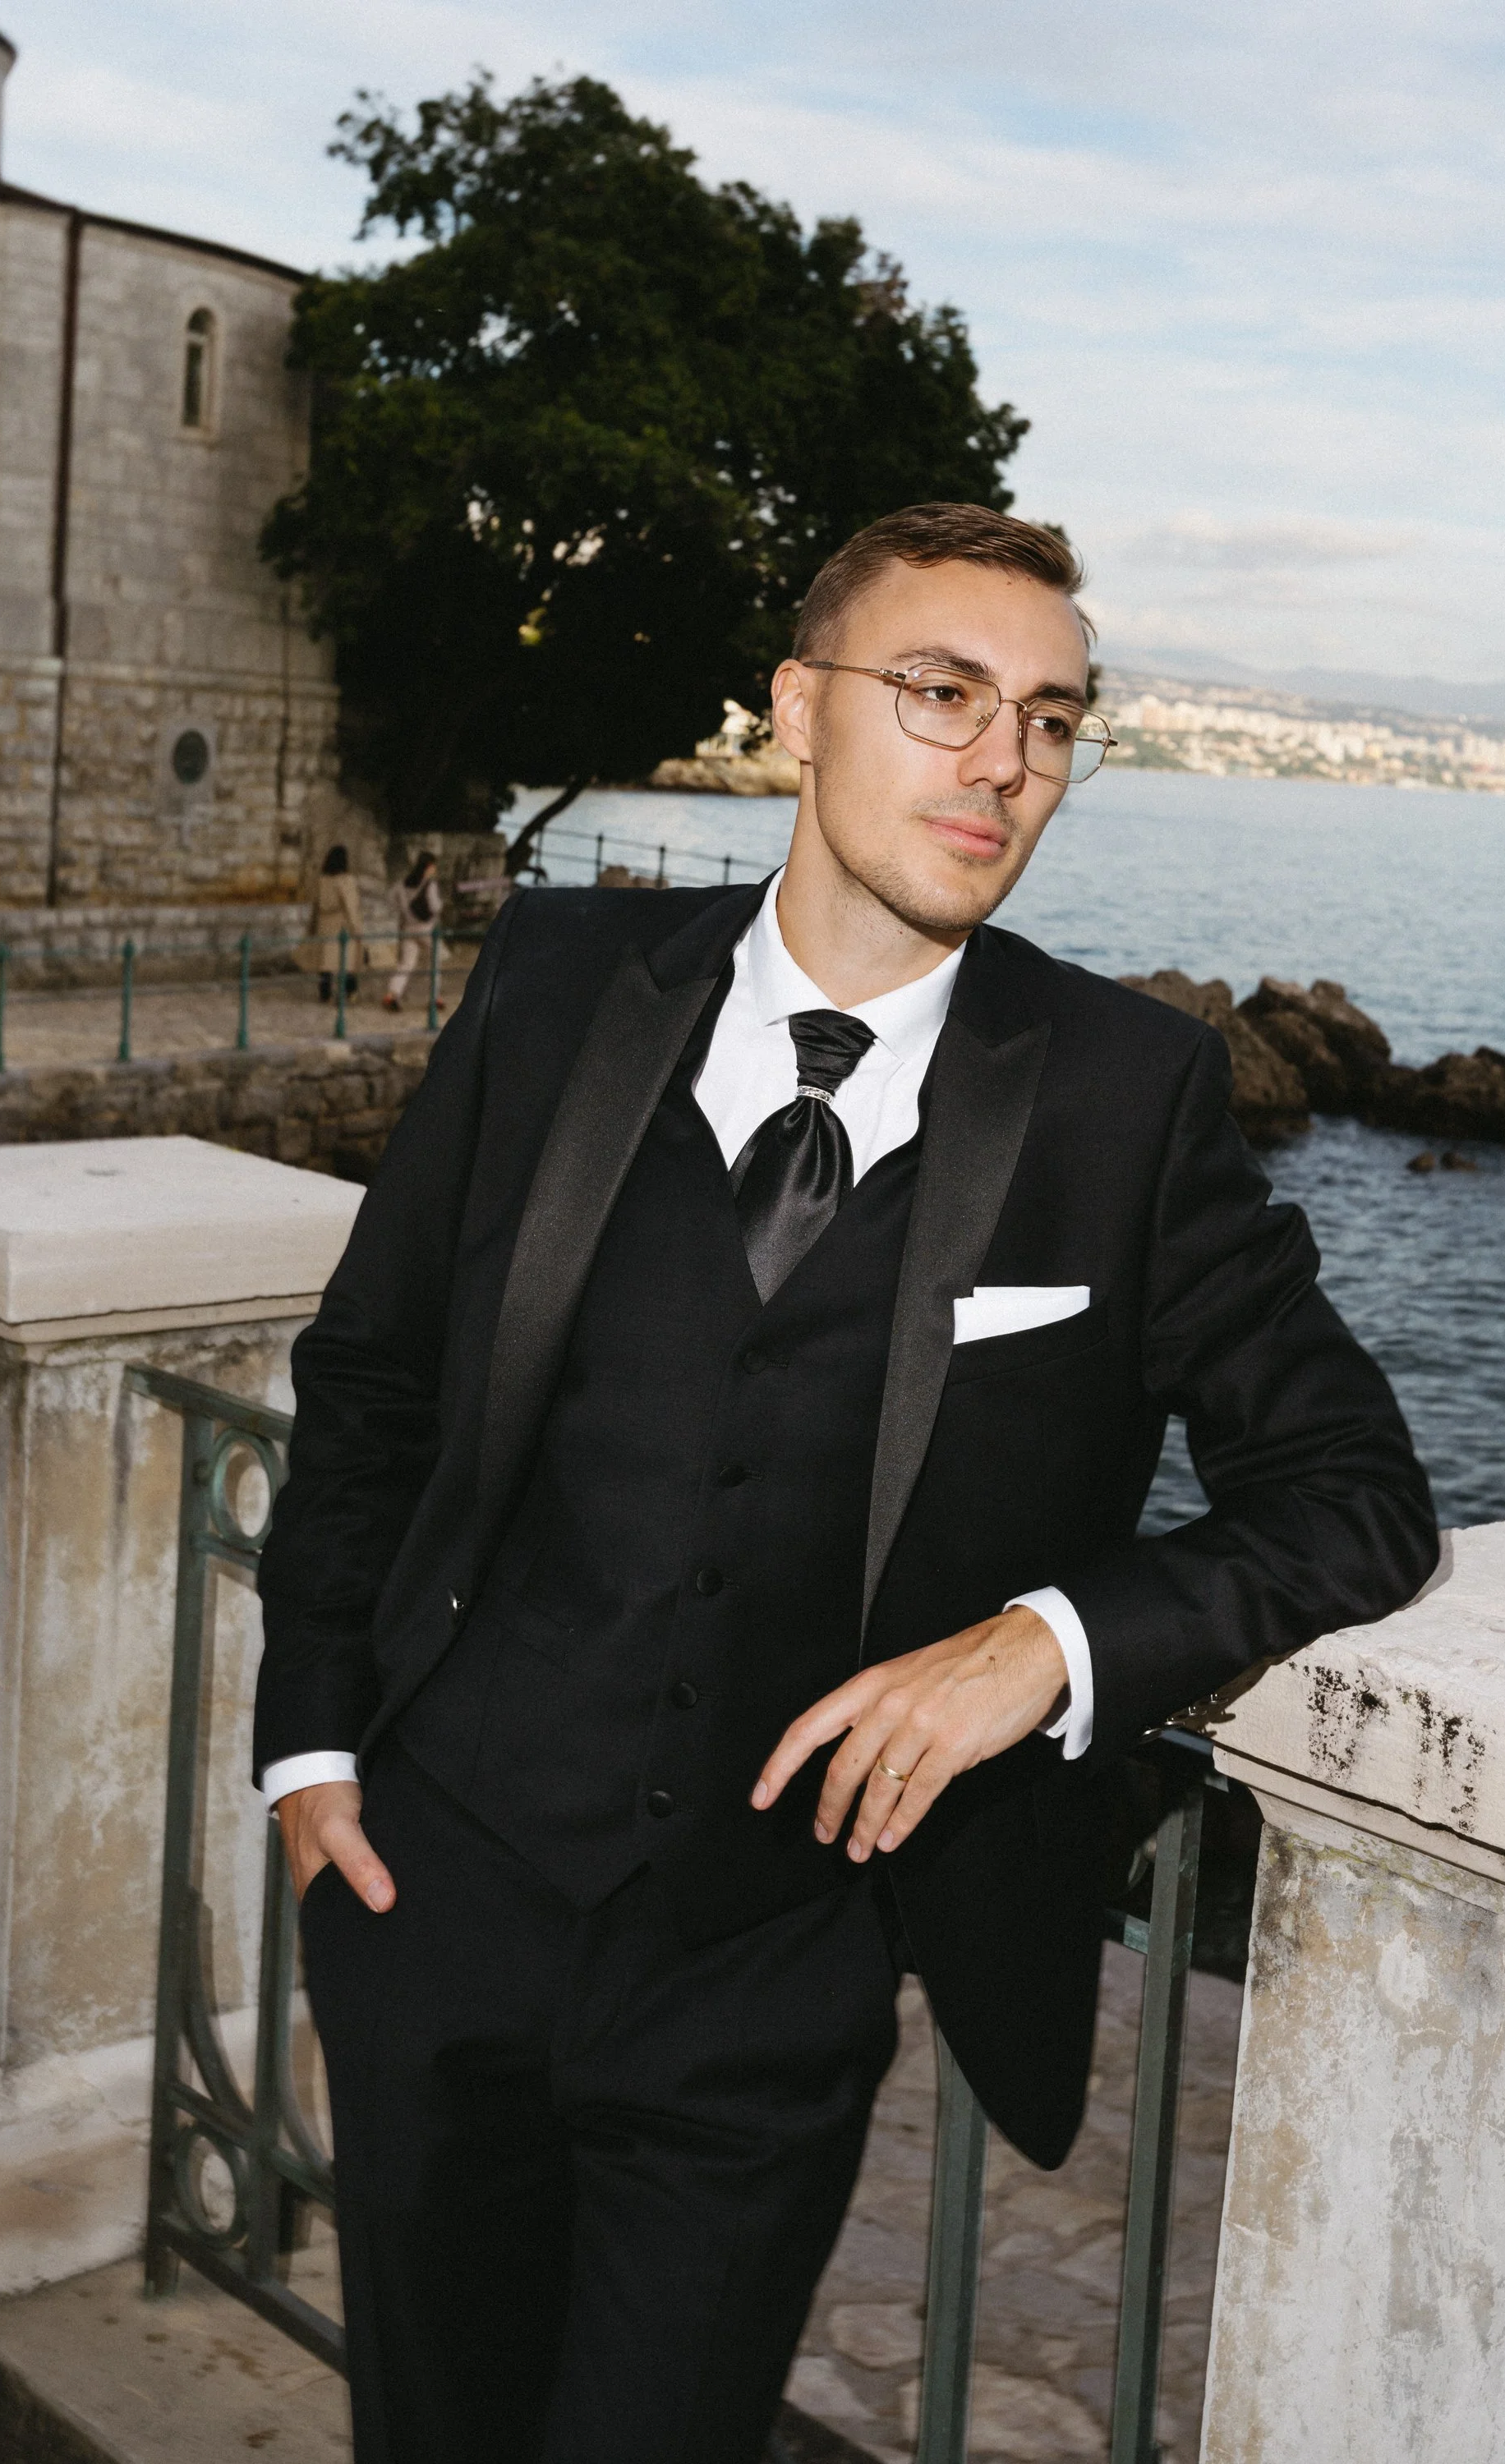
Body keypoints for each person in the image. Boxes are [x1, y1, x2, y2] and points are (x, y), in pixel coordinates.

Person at [255, 503, 1437, 2464]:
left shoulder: (1126, 1095)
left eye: (1051, 719)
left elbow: (1351, 1489)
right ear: (796, 713)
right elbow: (372, 1371)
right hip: (430, 1903)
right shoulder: (558, 981)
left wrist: (1046, 1646)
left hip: (771, 1972)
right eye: (943, 692)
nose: (1003, 760)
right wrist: (308, 1749)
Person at [384, 850, 443, 1013]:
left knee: (406, 963)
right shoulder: (430, 884)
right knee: (435, 961)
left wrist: (404, 911)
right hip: (426, 929)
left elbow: (390, 900)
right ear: (429, 867)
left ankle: (392, 994)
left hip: (408, 928)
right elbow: (435, 906)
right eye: (434, 866)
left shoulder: (402, 883)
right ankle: (434, 998)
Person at [311, 842, 361, 1004]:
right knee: (348, 962)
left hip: (324, 924)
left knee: (326, 963)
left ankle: (325, 994)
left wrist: (312, 926)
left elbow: (316, 905)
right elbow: (350, 906)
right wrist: (357, 928)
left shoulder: (322, 880)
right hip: (342, 925)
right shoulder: (346, 880)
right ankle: (350, 992)